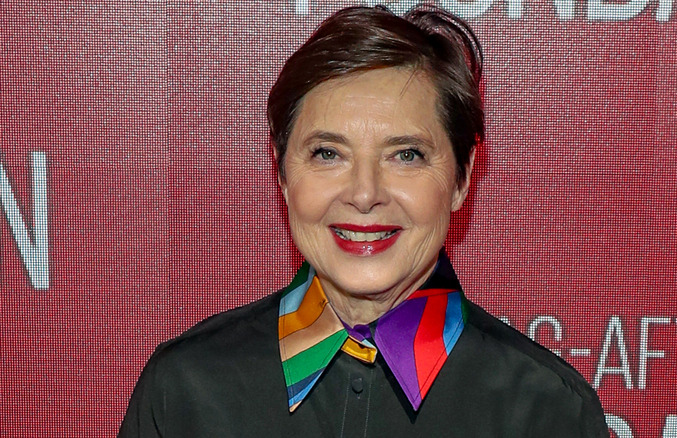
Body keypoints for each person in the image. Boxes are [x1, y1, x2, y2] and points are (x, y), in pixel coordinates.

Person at [119, 5, 608, 437]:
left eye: (407, 155)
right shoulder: (184, 390)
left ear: (462, 178)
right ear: (283, 172)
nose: (365, 194)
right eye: (328, 153)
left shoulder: (549, 409)